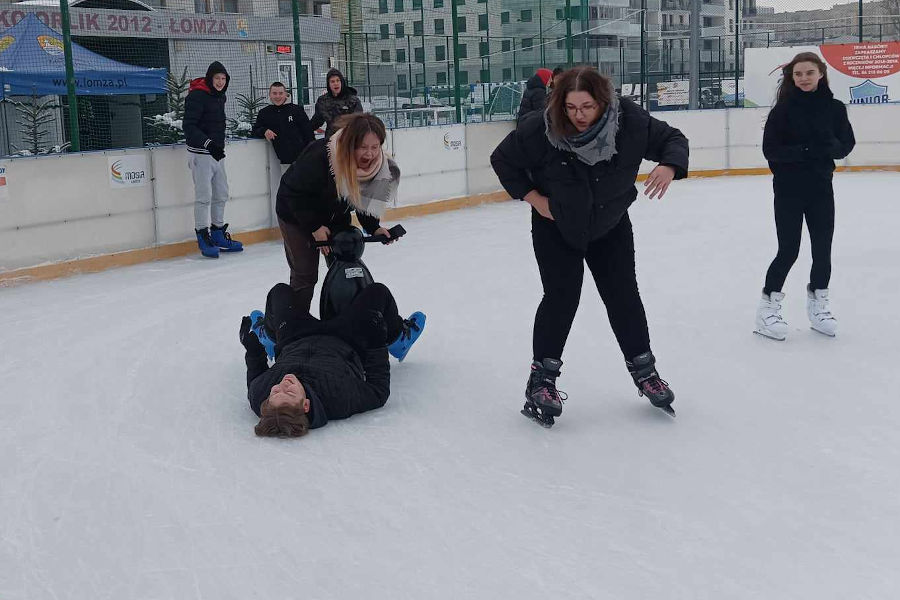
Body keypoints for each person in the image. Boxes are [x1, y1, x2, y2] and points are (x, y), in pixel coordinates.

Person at [490, 66, 689, 425]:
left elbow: (674, 139)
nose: (578, 116)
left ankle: (645, 372)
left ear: (604, 102)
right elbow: (502, 160)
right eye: (570, 107)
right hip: (557, 226)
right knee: (561, 298)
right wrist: (535, 199)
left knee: (623, 296)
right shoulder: (542, 126)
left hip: (610, 224)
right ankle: (541, 381)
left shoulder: (630, 120)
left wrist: (670, 165)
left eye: (587, 107)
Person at [239, 282, 425, 438]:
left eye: (275, 392)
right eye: (289, 393)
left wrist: (253, 349)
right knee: (378, 292)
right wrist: (378, 342)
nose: (283, 385)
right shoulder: (338, 397)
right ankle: (398, 339)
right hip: (345, 339)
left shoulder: (260, 397)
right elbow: (378, 392)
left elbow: (256, 376)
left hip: (294, 338)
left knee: (279, 292)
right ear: (306, 405)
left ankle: (270, 339)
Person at [755, 52, 855, 340]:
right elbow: (771, 151)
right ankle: (767, 309)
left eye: (809, 73)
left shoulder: (835, 108)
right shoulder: (782, 111)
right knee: (789, 250)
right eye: (798, 74)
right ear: (792, 77)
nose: (803, 78)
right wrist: (807, 152)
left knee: (823, 250)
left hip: (821, 188)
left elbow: (845, 144)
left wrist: (829, 146)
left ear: (821, 73)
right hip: (788, 190)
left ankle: (819, 305)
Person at [276, 113, 400, 310]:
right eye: (363, 147)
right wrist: (315, 226)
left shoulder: (377, 166)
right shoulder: (321, 155)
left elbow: (364, 199)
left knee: (345, 264)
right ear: (351, 144)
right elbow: (293, 193)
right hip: (296, 213)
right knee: (305, 273)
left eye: (375, 147)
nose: (369, 154)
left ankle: (347, 320)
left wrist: (373, 228)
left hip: (334, 215)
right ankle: (295, 326)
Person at [183, 61, 243, 258]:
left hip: (217, 153)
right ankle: (203, 235)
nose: (220, 82)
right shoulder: (197, 96)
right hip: (201, 154)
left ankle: (217, 232)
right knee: (203, 196)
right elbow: (189, 127)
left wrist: (217, 146)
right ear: (210, 78)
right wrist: (208, 144)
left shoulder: (220, 96)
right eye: (217, 78)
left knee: (221, 193)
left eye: (223, 78)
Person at [251, 81, 315, 168]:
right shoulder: (264, 113)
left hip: (303, 159)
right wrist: (264, 131)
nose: (277, 96)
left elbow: (308, 133)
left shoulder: (297, 110)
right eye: (274, 93)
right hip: (284, 162)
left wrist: (312, 154)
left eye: (280, 93)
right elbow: (255, 130)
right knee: (287, 181)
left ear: (285, 94)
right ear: (270, 95)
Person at [309, 68, 363, 140]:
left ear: (342, 82)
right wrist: (304, 129)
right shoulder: (323, 101)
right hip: (331, 140)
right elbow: (317, 121)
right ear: (329, 84)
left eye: (338, 80)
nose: (336, 83)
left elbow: (359, 121)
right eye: (332, 81)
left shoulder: (352, 100)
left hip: (348, 140)